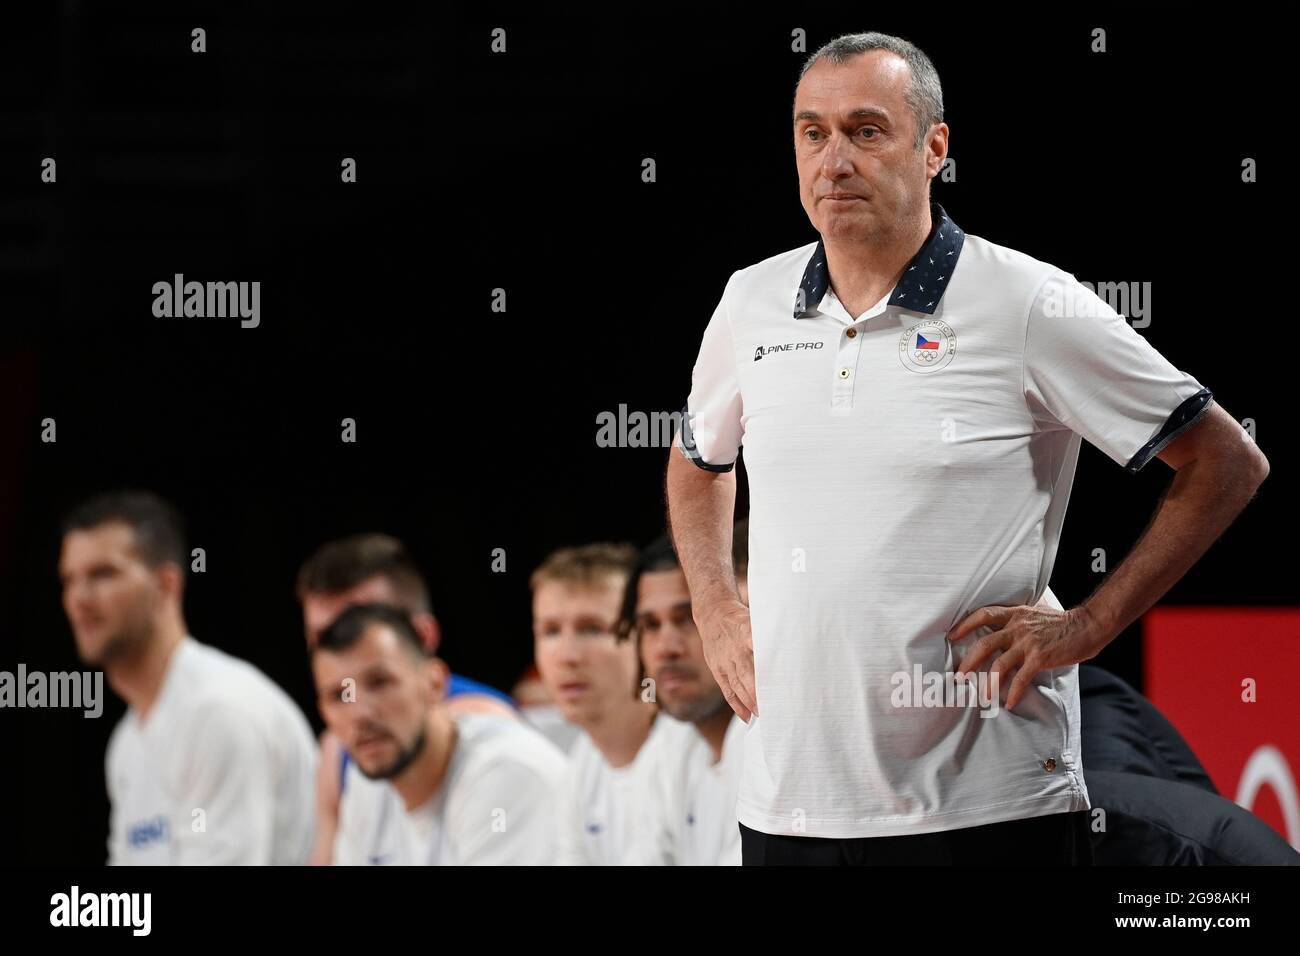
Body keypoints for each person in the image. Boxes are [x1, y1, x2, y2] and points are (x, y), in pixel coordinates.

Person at [665, 31, 1268, 865]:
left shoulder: (1027, 301)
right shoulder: (750, 300)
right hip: (790, 804)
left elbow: (1226, 461)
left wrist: (1090, 626)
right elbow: (698, 462)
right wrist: (716, 609)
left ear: (933, 148)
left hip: (986, 806)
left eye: (866, 130)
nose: (833, 159)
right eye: (813, 132)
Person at [59, 490, 317, 864]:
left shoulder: (219, 711)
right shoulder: (128, 742)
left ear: (166, 584)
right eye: (69, 580)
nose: (79, 598)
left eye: (103, 574)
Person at [296, 533, 518, 864]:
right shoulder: (344, 749)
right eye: (325, 639)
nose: (342, 652)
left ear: (424, 636)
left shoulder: (490, 734)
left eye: (361, 626)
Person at [313, 603, 566, 864]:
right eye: (340, 696)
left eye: (379, 682)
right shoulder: (366, 781)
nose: (360, 713)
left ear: (434, 684)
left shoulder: (507, 772)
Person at [531, 543, 695, 864]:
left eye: (592, 628)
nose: (566, 656)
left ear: (643, 636)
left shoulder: (688, 749)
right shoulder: (581, 766)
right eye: (550, 631)